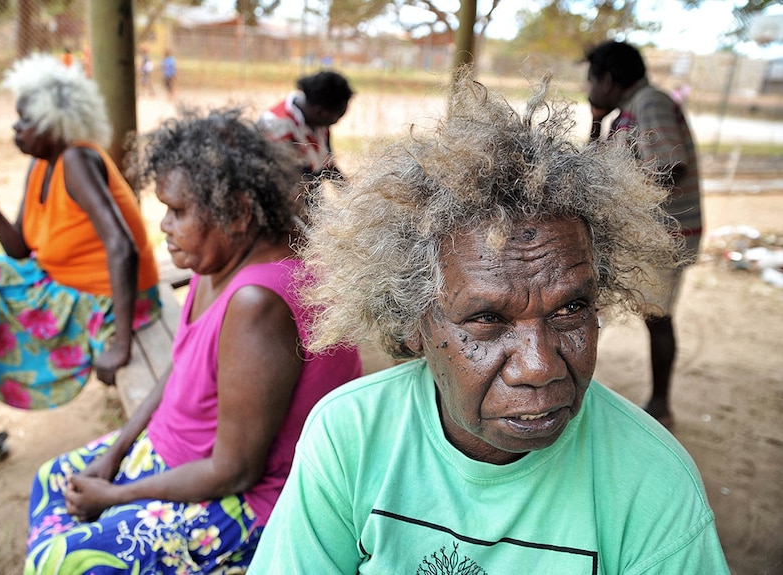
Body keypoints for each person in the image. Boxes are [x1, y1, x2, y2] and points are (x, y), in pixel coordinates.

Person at [248, 72, 728, 573]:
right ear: (415, 323)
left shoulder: (654, 483)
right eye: (487, 319)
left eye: (570, 309)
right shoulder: (350, 436)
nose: (540, 366)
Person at [24, 109, 363, 574]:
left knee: (66, 559)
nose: (164, 225)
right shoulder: (216, 264)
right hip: (180, 453)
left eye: (178, 211)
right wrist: (114, 452)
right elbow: (181, 364)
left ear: (239, 212)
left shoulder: (257, 303)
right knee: (51, 481)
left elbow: (236, 471)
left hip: (249, 499)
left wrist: (119, 495)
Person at [0, 54, 161, 486]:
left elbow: (121, 249)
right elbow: (17, 248)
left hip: (108, 299)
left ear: (57, 123)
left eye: (24, 121)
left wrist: (121, 345)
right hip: (59, 280)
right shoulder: (42, 165)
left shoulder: (76, 161)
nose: (15, 129)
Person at [585, 40, 703, 428]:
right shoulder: (626, 113)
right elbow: (592, 171)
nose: (588, 88)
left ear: (607, 78)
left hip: (664, 236)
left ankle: (661, 405)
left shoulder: (649, 103)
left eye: (591, 79)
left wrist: (627, 197)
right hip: (646, 234)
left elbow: (671, 167)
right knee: (593, 304)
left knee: (656, 316)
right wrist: (596, 122)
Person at [258, 70, 353, 211]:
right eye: (337, 117)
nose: (335, 123)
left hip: (310, 199)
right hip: (285, 207)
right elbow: (297, 182)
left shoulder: (318, 122)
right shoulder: (277, 124)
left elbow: (327, 166)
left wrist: (354, 197)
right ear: (321, 112)